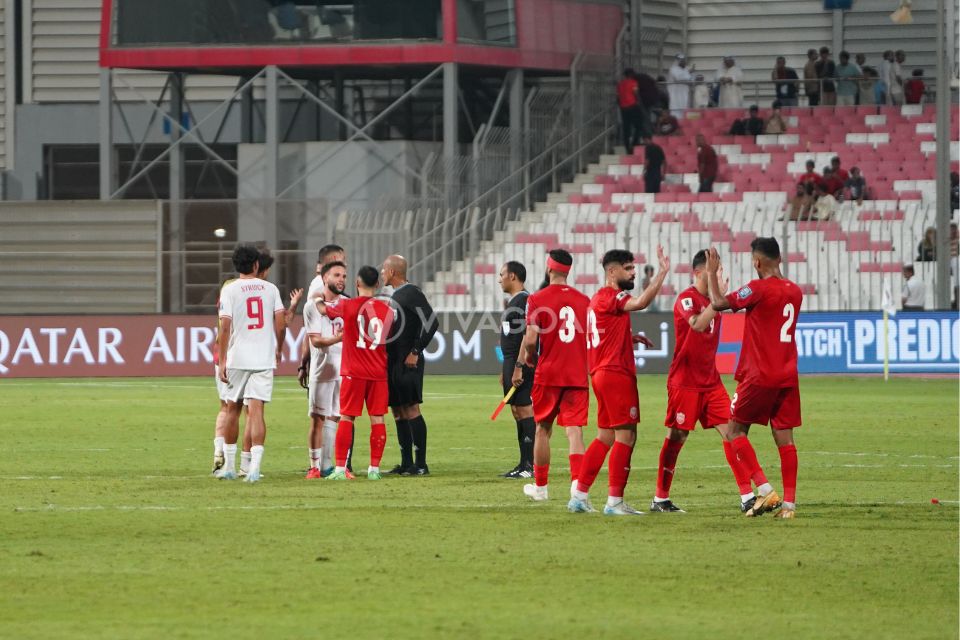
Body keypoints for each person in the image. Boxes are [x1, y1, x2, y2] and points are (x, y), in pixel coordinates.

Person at [653, 250, 759, 513]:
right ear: (701, 272)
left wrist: (717, 297)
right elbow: (698, 325)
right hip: (684, 382)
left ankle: (747, 495)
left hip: (711, 382)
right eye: (717, 271)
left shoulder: (716, 303)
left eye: (719, 271)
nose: (722, 277)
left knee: (732, 432)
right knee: (677, 437)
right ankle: (660, 498)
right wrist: (715, 298)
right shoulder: (686, 299)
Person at [705, 238, 803, 519]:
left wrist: (712, 273)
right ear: (780, 259)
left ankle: (763, 488)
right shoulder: (795, 292)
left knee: (735, 431)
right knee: (784, 438)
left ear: (757, 262)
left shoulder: (757, 288)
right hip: (787, 375)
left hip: (758, 374)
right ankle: (789, 507)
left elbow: (719, 303)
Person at [567, 247, 670, 516]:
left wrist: (629, 337)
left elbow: (603, 330)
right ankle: (614, 501)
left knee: (606, 435)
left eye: (633, 268)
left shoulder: (597, 299)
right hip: (615, 373)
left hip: (601, 373)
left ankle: (579, 495)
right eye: (628, 268)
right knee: (627, 435)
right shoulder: (612, 295)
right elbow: (640, 303)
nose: (633, 272)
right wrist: (662, 273)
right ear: (612, 272)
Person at [513, 249, 589, 502]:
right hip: (577, 373)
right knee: (575, 431)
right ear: (568, 271)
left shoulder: (536, 299)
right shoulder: (584, 300)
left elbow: (531, 339)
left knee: (543, 429)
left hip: (549, 373)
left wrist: (530, 358)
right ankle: (578, 488)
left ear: (549, 268)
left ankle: (542, 488)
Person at [215, 244, 287, 483]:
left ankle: (229, 467)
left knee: (232, 410)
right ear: (256, 265)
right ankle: (254, 467)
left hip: (238, 357)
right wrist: (278, 347)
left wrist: (223, 358)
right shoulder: (270, 289)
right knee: (256, 411)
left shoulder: (230, 289)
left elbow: (225, 326)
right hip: (263, 357)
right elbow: (281, 323)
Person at [318, 265, 395, 480]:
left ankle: (341, 469)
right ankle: (374, 470)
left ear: (357, 284)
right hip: (379, 372)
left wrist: (316, 298)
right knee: (377, 419)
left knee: (347, 417)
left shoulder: (348, 305)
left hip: (354, 371)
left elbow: (324, 310)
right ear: (377, 285)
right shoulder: (389, 311)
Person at [382, 255, 439, 476]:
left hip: (409, 361)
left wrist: (416, 350)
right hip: (394, 361)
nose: (382, 274)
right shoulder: (395, 296)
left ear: (392, 272)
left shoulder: (411, 293)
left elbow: (432, 321)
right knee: (397, 410)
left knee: (411, 408)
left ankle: (421, 464)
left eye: (384, 270)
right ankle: (406, 463)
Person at [303, 260, 347, 478]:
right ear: (325, 278)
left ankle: (330, 465)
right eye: (337, 275)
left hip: (344, 369)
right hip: (322, 368)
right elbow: (316, 341)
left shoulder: (348, 303)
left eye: (344, 276)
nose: (341, 280)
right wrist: (338, 339)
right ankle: (314, 466)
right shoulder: (312, 307)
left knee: (336, 417)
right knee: (318, 418)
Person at [497, 260, 535, 479]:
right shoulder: (515, 301)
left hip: (521, 363)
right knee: (516, 411)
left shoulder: (524, 302)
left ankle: (529, 466)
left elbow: (526, 337)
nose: (499, 279)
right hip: (511, 362)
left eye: (502, 274)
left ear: (512, 276)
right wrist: (506, 368)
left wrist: (519, 366)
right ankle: (523, 464)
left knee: (525, 410)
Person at [617, 69, 644, 155]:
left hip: (623, 108)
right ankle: (635, 143)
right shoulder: (633, 82)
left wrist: (621, 105)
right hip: (632, 106)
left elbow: (618, 97)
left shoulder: (620, 84)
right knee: (639, 125)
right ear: (631, 75)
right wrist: (639, 104)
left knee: (626, 128)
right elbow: (636, 93)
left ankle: (627, 146)